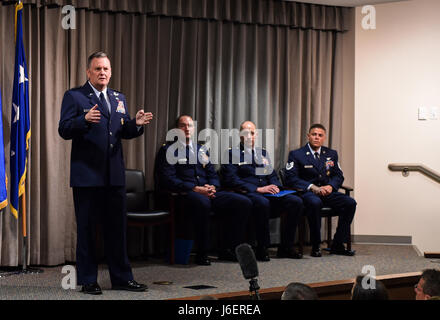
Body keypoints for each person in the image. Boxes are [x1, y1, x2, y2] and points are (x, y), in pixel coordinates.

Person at [58, 52, 152, 295]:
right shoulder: (75, 96)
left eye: (106, 69)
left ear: (110, 72)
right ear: (88, 72)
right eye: (98, 68)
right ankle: (89, 280)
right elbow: (64, 129)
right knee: (87, 231)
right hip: (87, 177)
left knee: (116, 230)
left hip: (114, 176)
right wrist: (84, 119)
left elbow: (122, 132)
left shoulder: (118, 97)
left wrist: (136, 125)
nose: (102, 72)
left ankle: (122, 278)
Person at [156, 115, 252, 265]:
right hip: (184, 194)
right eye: (183, 125)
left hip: (207, 192)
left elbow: (212, 173)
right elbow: (168, 179)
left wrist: (213, 186)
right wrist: (195, 188)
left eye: (190, 126)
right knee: (203, 203)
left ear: (194, 129)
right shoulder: (168, 150)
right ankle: (202, 252)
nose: (187, 129)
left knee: (243, 202)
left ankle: (229, 249)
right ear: (176, 129)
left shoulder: (201, 149)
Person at [221, 121, 304, 262]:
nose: (249, 136)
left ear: (256, 135)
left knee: (296, 202)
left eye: (252, 133)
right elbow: (231, 179)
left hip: (269, 192)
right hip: (249, 194)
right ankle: (262, 247)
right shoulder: (232, 153)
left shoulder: (262, 153)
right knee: (262, 203)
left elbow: (270, 174)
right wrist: (258, 189)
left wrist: (276, 186)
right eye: (245, 133)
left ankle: (286, 247)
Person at [284, 124, 356, 257]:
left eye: (320, 135)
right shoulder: (296, 154)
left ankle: (337, 244)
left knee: (350, 203)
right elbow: (291, 178)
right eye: (314, 134)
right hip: (308, 193)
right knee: (315, 203)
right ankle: (316, 245)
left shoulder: (331, 154)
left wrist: (331, 187)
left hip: (327, 192)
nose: (317, 137)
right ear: (308, 136)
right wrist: (312, 187)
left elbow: (338, 175)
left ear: (324, 138)